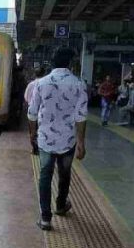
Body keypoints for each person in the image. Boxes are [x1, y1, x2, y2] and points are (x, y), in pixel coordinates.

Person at [27, 47, 88, 231]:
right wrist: (81, 142)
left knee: (45, 175)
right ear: (70, 63)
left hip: (45, 138)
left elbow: (32, 113)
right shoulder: (79, 84)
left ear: (52, 63)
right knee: (64, 173)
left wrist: (32, 134)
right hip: (68, 140)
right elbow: (81, 116)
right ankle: (61, 205)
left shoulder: (41, 83)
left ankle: (45, 218)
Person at [24, 67, 46, 154]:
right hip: (44, 111)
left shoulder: (31, 84)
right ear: (44, 74)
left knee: (33, 131)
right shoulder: (46, 84)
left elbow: (26, 97)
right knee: (42, 130)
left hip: (32, 111)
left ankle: (34, 148)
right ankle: (42, 148)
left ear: (34, 74)